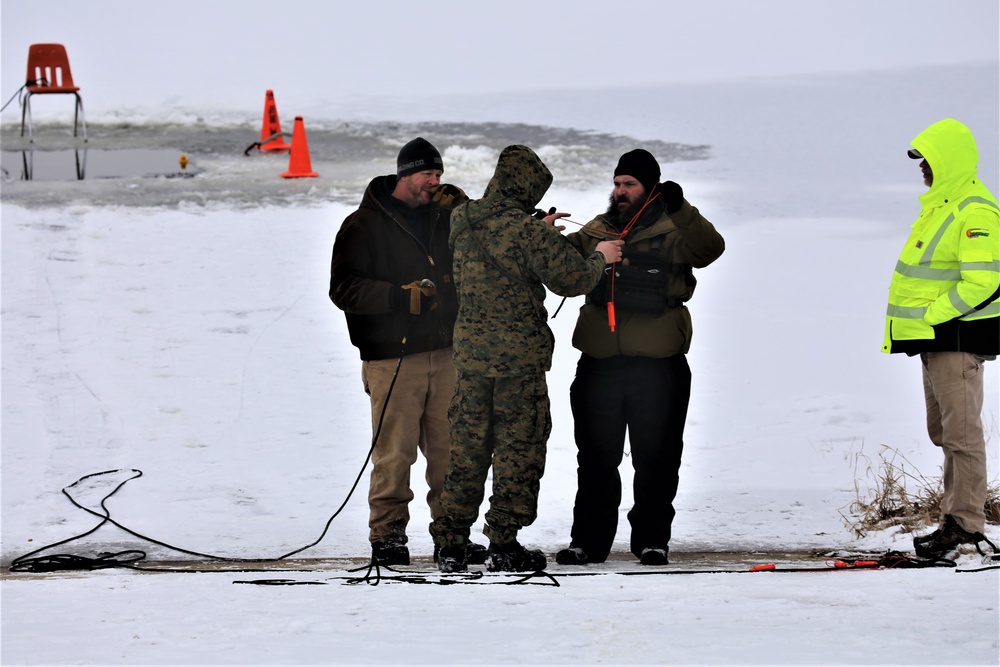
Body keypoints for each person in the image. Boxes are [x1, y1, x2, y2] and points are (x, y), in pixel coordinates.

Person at [429, 145, 624, 573]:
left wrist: (538, 229)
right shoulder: (528, 232)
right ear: (528, 188)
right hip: (518, 362)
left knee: (467, 450)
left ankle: (451, 543)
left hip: (471, 359)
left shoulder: (462, 219)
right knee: (519, 449)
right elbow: (570, 280)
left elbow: (503, 238)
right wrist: (600, 258)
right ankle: (503, 542)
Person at [556, 149, 725, 566]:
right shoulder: (596, 230)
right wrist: (541, 233)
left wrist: (681, 208)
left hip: (658, 363)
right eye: (617, 184)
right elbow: (557, 267)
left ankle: (652, 539)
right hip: (599, 363)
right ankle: (589, 542)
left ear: (650, 188)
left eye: (629, 184)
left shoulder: (674, 228)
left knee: (657, 457)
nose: (620, 191)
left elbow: (710, 249)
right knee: (595, 456)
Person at [329, 137, 486, 566]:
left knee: (451, 451)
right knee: (394, 452)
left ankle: (451, 533)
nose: (433, 183)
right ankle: (388, 535)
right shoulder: (363, 224)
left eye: (438, 175)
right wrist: (399, 297)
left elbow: (487, 242)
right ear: (404, 175)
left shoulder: (445, 217)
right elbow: (342, 288)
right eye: (426, 175)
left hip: (447, 352)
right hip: (392, 358)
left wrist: (465, 206)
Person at [882, 119, 999, 559]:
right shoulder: (942, 207)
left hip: (956, 340)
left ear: (947, 159)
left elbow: (984, 283)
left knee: (963, 437)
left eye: (927, 159)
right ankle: (953, 519)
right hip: (935, 342)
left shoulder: (975, 211)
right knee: (944, 433)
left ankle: (965, 524)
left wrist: (933, 317)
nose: (922, 168)